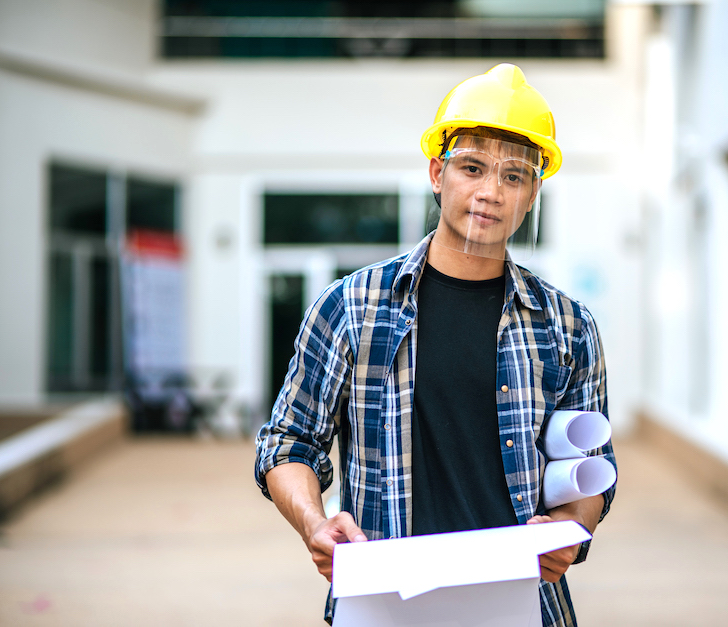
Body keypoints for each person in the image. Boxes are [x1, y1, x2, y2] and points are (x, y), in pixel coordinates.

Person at [255, 63, 616, 627]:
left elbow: (590, 467)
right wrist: (314, 522)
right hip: (384, 603)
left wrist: (574, 529)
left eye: (514, 177)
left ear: (532, 195)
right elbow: (287, 443)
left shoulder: (568, 326)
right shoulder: (351, 307)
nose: (491, 192)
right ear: (437, 172)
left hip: (523, 604)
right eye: (472, 167)